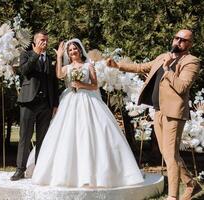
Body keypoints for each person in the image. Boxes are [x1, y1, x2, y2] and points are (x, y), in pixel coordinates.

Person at [31, 38, 144, 187]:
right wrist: (59, 56)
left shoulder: (88, 65)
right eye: (70, 50)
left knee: (93, 131)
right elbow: (59, 75)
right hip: (70, 100)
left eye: (75, 49)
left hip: (88, 100)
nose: (73, 52)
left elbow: (95, 85)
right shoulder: (68, 67)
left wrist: (81, 85)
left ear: (80, 50)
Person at [106, 29, 202, 200]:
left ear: (189, 44)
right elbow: (141, 67)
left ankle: (173, 196)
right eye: (176, 38)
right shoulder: (162, 56)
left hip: (174, 113)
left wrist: (167, 68)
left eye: (183, 40)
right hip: (158, 110)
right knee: (167, 153)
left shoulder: (191, 61)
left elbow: (182, 87)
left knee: (171, 156)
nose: (178, 42)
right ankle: (191, 184)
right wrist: (118, 65)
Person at [10, 30, 59, 181]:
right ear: (35, 42)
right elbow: (24, 71)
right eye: (42, 40)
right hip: (28, 102)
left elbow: (54, 83)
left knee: (43, 139)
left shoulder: (50, 59)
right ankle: (20, 170)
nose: (45, 43)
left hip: (46, 104)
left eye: (46, 40)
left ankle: (40, 169)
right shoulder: (26, 55)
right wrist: (36, 53)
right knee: (25, 137)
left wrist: (55, 104)